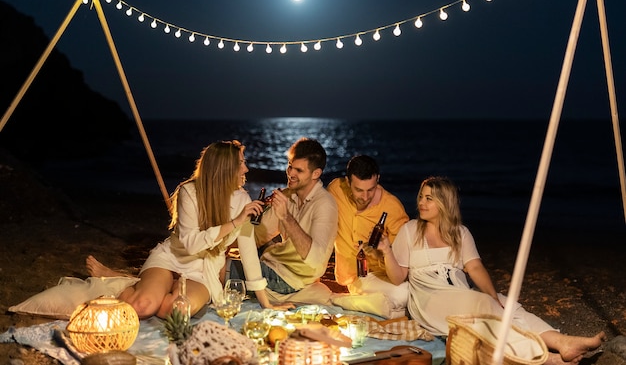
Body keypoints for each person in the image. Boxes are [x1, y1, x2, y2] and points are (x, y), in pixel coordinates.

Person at [379, 176, 606, 365]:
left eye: (429, 198)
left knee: (506, 306)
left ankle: (561, 342)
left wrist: (493, 296)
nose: (421, 203)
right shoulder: (410, 230)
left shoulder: (461, 233)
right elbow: (399, 277)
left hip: (460, 293)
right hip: (430, 298)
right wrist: (386, 250)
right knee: (484, 309)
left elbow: (475, 267)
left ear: (444, 202)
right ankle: (547, 359)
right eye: (421, 197)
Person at [86, 140, 291, 319]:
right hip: (172, 258)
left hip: (202, 270)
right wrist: (235, 222)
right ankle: (132, 284)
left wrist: (267, 303)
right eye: (241, 163)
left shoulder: (242, 200)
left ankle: (145, 284)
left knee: (177, 311)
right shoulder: (189, 191)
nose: (246, 169)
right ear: (224, 167)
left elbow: (248, 254)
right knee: (142, 307)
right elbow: (191, 244)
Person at [248, 137, 338, 299]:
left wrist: (286, 217)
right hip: (273, 266)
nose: (291, 174)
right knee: (217, 261)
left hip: (288, 280)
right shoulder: (289, 195)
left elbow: (316, 260)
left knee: (217, 269)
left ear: (316, 173)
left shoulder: (325, 204)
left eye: (299, 170)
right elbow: (257, 235)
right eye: (290, 166)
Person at [327, 155, 409, 318]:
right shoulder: (336, 189)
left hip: (380, 275)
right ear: (348, 182)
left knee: (405, 293)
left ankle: (351, 301)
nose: (365, 197)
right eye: (359, 190)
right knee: (402, 299)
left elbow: (402, 263)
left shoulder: (392, 208)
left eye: (370, 190)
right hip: (351, 275)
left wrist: (381, 251)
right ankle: (359, 302)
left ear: (378, 179)